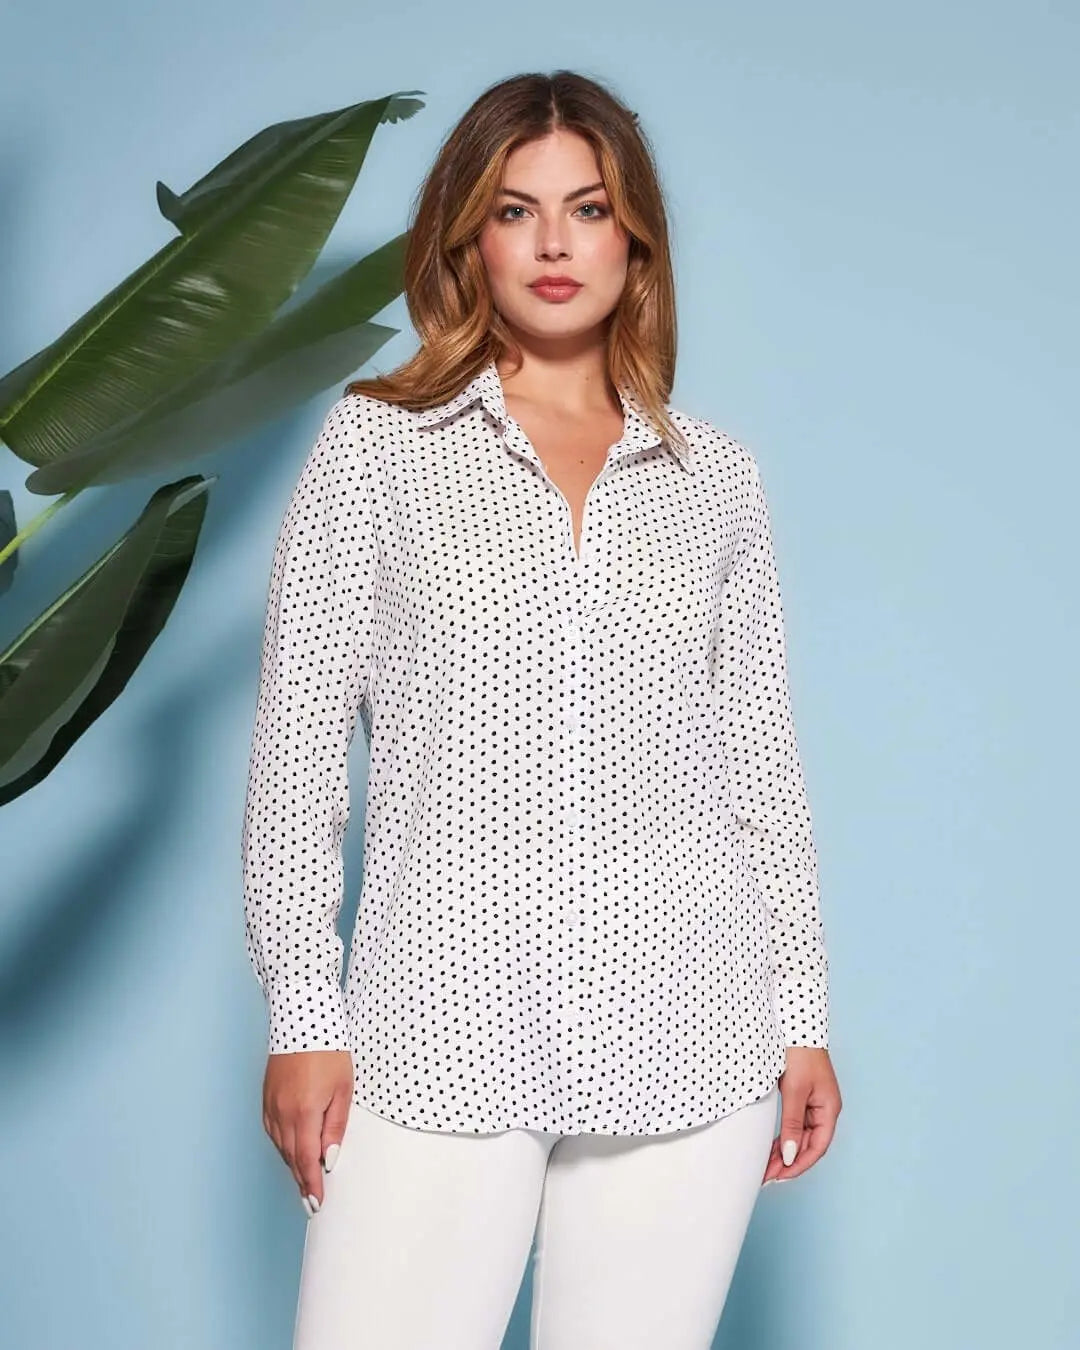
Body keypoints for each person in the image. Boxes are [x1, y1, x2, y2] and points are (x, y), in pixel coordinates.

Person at [241, 68, 842, 1350]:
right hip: (435, 1027)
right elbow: (297, 753)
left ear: (638, 239)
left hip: (692, 1026)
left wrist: (799, 1016)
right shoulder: (377, 448)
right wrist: (303, 1013)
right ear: (471, 237)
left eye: (589, 209)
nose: (555, 244)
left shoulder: (716, 481)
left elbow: (760, 773)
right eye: (517, 211)